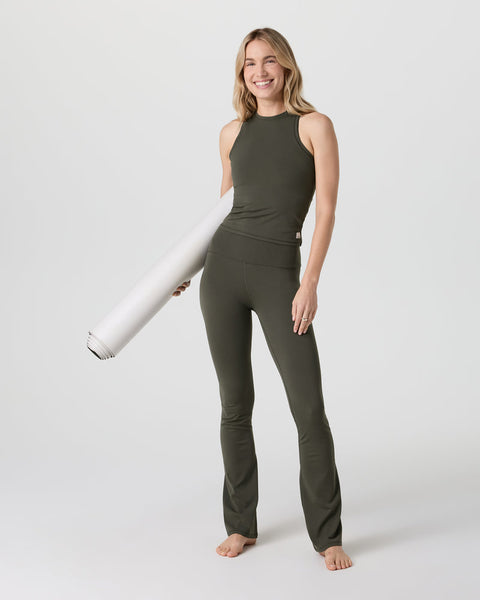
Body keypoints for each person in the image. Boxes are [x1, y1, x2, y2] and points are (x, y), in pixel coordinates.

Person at [176, 27, 352, 571]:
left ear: (287, 66)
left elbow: (326, 210)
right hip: (222, 274)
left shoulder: (314, 126)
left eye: (269, 60)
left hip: (281, 277)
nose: (260, 71)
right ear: (241, 74)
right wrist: (186, 269)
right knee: (235, 405)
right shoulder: (231, 133)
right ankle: (239, 525)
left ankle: (327, 537)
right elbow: (222, 211)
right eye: (249, 63)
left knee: (308, 408)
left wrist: (310, 282)